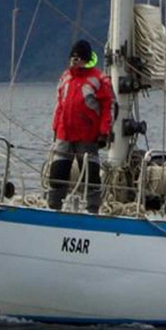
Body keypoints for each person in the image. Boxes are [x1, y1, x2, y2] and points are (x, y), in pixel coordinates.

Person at [48, 39, 114, 211]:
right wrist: (55, 128)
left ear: (86, 59)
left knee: (90, 174)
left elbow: (108, 106)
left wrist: (103, 132)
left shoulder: (99, 79)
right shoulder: (65, 78)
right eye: (73, 57)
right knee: (57, 171)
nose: (75, 60)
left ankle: (93, 208)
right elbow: (59, 105)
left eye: (78, 58)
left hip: (87, 134)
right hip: (65, 133)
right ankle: (54, 205)